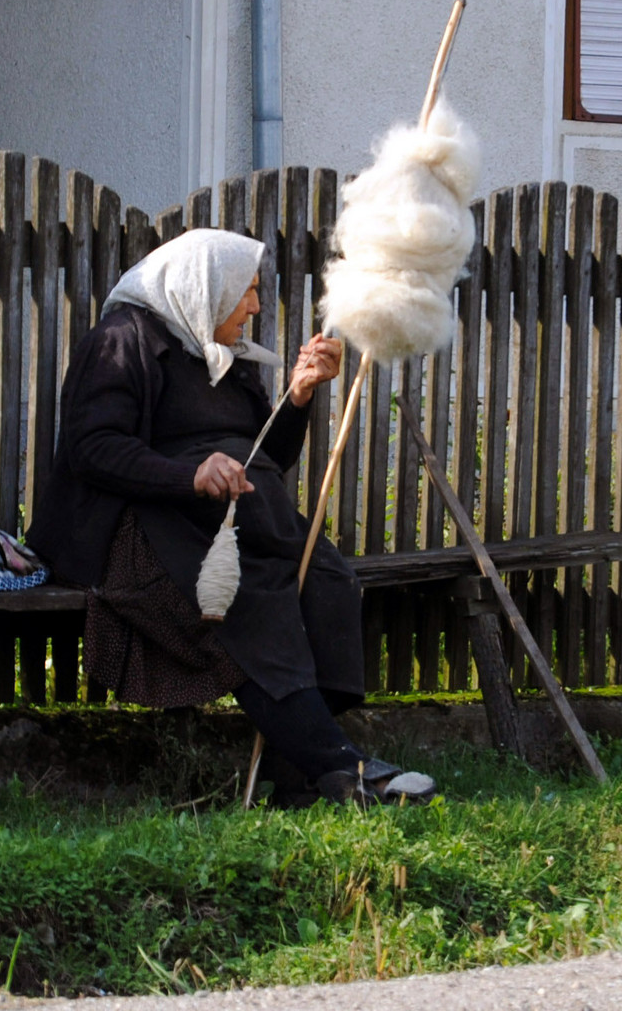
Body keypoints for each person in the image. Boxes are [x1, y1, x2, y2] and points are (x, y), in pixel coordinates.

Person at [26, 228, 433, 806]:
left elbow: (268, 457)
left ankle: (298, 778)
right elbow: (93, 448)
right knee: (252, 594)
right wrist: (186, 476)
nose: (255, 306)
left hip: (237, 526)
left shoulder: (222, 359)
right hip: (146, 533)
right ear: (204, 288)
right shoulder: (122, 341)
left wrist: (298, 395)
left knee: (327, 581)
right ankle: (345, 770)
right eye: (245, 291)